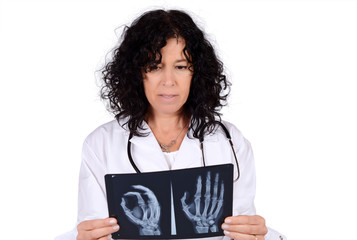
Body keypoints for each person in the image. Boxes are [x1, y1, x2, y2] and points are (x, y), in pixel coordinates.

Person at [56, 9, 286, 240]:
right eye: (155, 67)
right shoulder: (101, 144)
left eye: (181, 66)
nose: (168, 81)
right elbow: (92, 227)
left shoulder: (230, 141)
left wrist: (258, 235)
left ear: (196, 73)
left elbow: (243, 227)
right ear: (136, 73)